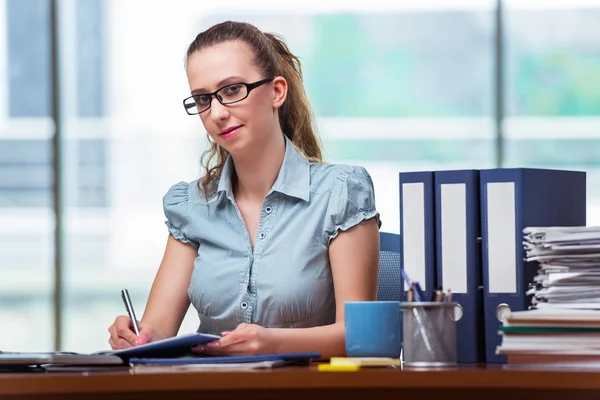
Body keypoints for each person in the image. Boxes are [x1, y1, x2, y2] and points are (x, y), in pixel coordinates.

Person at [107, 20, 381, 359]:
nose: (218, 113)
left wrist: (273, 343)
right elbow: (158, 329)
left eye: (233, 90)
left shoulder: (340, 194)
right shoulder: (191, 206)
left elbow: (359, 336)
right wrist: (137, 335)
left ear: (277, 92)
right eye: (203, 99)